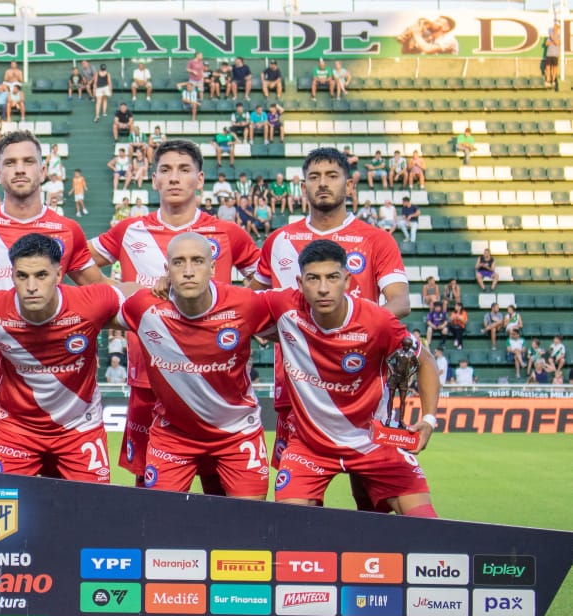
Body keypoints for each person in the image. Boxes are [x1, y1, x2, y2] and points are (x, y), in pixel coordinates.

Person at [90, 139, 260, 484]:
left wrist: (236, 311)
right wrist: (125, 291)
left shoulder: (227, 233)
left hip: (215, 382)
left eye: (184, 170)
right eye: (165, 170)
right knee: (149, 490)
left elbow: (265, 279)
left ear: (199, 179)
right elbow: (77, 262)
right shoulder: (128, 230)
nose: (174, 178)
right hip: (148, 378)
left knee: (221, 490)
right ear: (153, 179)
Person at [251, 147, 410, 511]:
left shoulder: (376, 240)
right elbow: (253, 307)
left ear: (349, 184)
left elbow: (400, 302)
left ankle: (372, 566)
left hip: (363, 388)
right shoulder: (279, 241)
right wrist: (283, 334)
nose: (323, 184)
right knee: (301, 503)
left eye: (332, 176)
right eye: (314, 177)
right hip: (297, 391)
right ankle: (311, 566)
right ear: (303, 186)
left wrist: (352, 333)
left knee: (373, 502)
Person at [0, 130, 107, 464]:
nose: (20, 169)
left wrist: (164, 290)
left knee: (61, 494)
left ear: (43, 170)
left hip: (55, 375)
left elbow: (102, 288)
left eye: (28, 161)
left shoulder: (68, 230)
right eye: (11, 163)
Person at [259, 240, 439, 517]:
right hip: (310, 445)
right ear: (299, 282)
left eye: (332, 277)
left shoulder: (377, 321)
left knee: (426, 526)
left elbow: (425, 361)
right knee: (288, 529)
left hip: (375, 442)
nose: (322, 288)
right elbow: (230, 305)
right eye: (313, 279)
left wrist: (428, 420)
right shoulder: (284, 306)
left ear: (347, 280)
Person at [0, 234, 135, 482]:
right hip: (16, 431)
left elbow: (141, 298)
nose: (32, 286)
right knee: (1, 517)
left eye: (41, 275)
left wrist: (168, 287)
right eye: (22, 276)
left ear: (58, 275)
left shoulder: (91, 303)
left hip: (80, 429)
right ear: (12, 275)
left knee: (93, 516)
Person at [120, 233, 270, 497]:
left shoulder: (246, 303)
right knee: (164, 532)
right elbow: (91, 310)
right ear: (166, 270)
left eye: (197, 261)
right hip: (173, 436)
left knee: (249, 532)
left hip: (237, 434)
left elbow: (301, 318)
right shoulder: (144, 306)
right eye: (179, 262)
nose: (188, 271)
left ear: (213, 267)